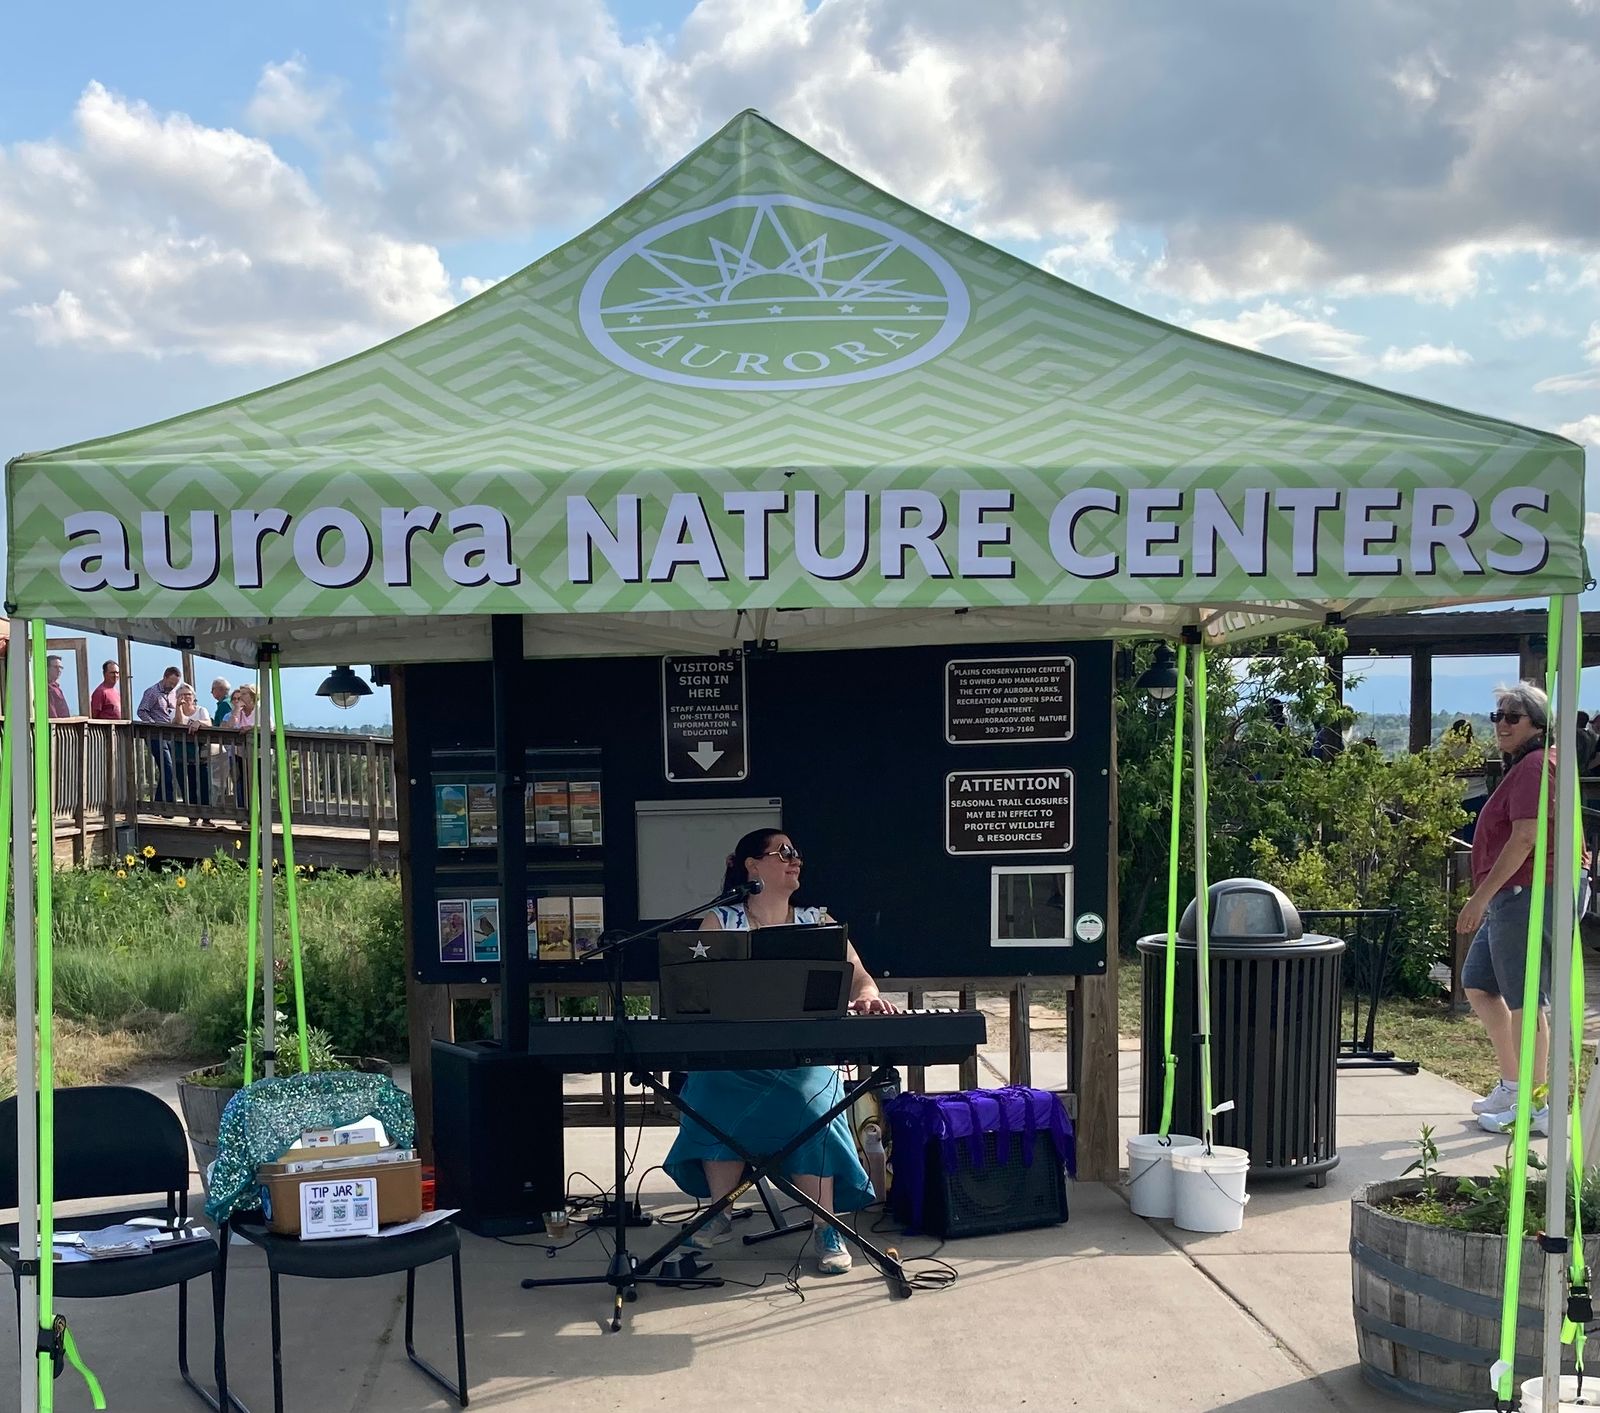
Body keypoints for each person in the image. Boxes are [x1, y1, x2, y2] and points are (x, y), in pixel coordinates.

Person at [663, 829, 895, 1277]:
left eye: (796, 853)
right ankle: (719, 1211)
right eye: (783, 852)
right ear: (752, 866)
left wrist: (867, 997)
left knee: (812, 1100)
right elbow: (693, 991)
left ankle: (826, 1225)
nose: (795, 860)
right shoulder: (718, 922)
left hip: (803, 1057)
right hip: (733, 1058)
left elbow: (861, 980)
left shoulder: (819, 922)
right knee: (710, 1088)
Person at [1458, 682, 1575, 1135]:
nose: (1501, 724)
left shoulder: (1534, 766)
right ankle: (1513, 1084)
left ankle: (1537, 1104)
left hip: (1527, 891)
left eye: (1512, 717)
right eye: (1498, 716)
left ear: (1538, 725)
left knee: (1527, 1000)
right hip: (1514, 893)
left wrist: (1480, 896)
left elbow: (1526, 836)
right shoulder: (1530, 765)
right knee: (1478, 982)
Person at [137, 665, 182, 802]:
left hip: (170, 736)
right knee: (167, 767)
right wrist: (153, 724)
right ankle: (167, 802)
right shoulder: (152, 692)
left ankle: (160, 801)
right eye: (171, 683)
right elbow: (141, 711)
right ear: (165, 677)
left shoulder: (173, 694)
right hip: (156, 736)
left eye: (175, 684)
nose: (172, 686)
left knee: (170, 768)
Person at [173, 683, 212, 817]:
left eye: (188, 694)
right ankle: (192, 817)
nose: (186, 697)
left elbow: (209, 723)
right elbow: (178, 722)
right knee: (187, 786)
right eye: (182, 695)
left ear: (194, 697)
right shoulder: (174, 711)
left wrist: (199, 723)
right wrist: (179, 707)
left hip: (200, 754)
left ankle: (206, 818)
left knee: (204, 785)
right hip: (181, 755)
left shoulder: (201, 710)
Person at [45, 655, 70, 719]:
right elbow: (51, 713)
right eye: (56, 667)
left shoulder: (56, 687)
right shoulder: (47, 688)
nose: (59, 670)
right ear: (47, 668)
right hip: (58, 724)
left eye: (60, 667)